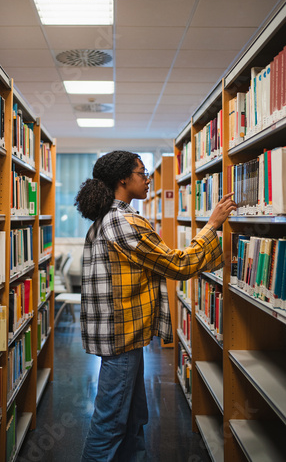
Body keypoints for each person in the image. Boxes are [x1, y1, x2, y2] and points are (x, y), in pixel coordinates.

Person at [74, 150, 236, 462]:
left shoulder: (105, 218)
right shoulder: (124, 221)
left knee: (133, 419)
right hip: (121, 337)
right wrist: (212, 225)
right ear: (123, 179)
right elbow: (178, 265)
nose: (148, 179)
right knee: (109, 424)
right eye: (142, 172)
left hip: (122, 336)